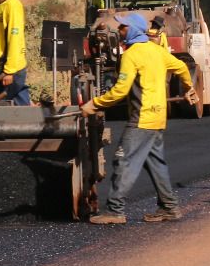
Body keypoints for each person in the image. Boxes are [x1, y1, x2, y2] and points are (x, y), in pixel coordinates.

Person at [82, 12, 197, 224]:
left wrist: (94, 104)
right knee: (155, 163)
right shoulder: (157, 51)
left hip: (142, 118)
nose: (119, 30)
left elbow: (120, 91)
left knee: (123, 159)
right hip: (158, 117)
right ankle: (169, 208)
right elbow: (182, 67)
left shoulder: (131, 55)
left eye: (123, 27)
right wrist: (190, 88)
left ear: (133, 30)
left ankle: (115, 211)